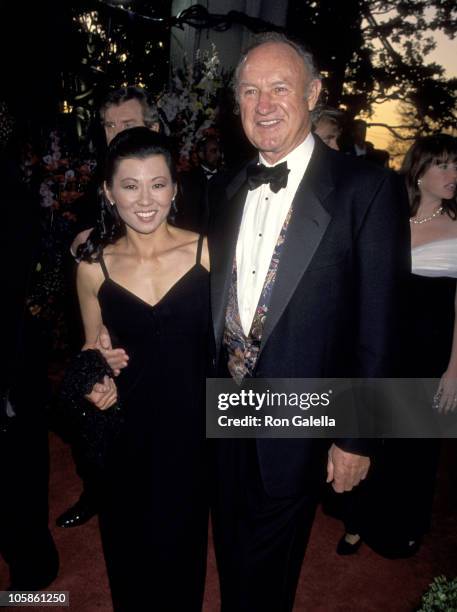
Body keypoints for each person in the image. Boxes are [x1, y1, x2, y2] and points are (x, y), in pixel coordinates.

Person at [206, 32, 409, 611]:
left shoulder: (366, 188)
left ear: (314, 92)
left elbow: (380, 326)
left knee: (268, 577)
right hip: (225, 415)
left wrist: (355, 437)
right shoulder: (225, 187)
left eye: (278, 88)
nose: (263, 104)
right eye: (249, 91)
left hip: (300, 418)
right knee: (233, 554)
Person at [75, 127, 210, 611]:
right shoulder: (94, 267)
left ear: (175, 188)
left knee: (183, 553)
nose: (145, 198)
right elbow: (91, 351)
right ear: (109, 193)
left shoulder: (207, 252)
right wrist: (95, 381)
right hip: (126, 436)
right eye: (130, 185)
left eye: (158, 183)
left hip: (193, 434)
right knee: (128, 556)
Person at [335, 134, 457, 558]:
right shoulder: (388, 217)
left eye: (456, 166)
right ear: (419, 170)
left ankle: (401, 528)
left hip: (430, 352)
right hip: (382, 346)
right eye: (442, 165)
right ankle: (356, 520)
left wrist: (454, 369)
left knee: (416, 445)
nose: (452, 175)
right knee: (371, 434)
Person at [57, 85, 162, 529]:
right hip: (108, 325)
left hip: (167, 328)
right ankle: (99, 489)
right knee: (97, 414)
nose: (117, 133)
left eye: (128, 124)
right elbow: (79, 248)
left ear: (153, 128)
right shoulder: (95, 187)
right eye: (109, 125)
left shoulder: (182, 188)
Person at [0, 101, 59, 589]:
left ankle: (32, 567)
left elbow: (21, 283)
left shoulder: (13, 198)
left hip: (11, 354)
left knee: (18, 464)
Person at [174, 135, 223, 233]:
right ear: (201, 154)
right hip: (194, 235)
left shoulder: (228, 177)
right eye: (213, 151)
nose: (219, 155)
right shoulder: (187, 179)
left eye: (219, 151)